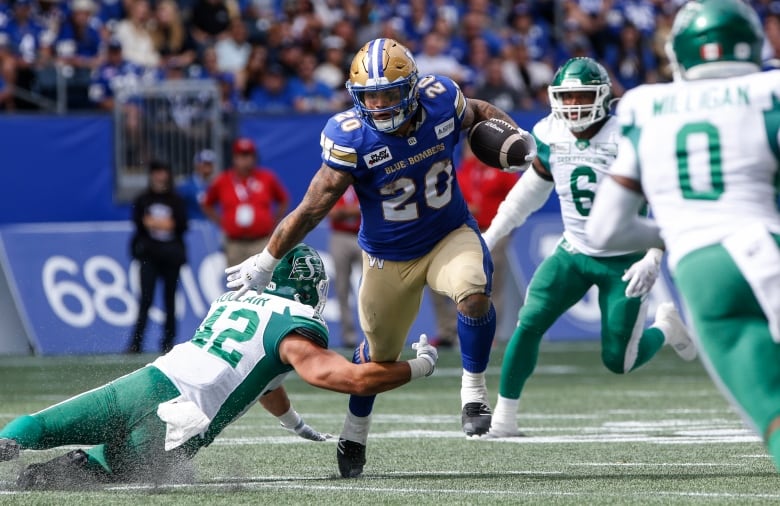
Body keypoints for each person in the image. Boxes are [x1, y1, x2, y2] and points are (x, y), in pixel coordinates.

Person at [223, 37, 536, 479]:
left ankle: (474, 390)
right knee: (376, 357)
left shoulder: (440, 98)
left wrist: (514, 137)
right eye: (371, 96)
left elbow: (480, 112)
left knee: (473, 293)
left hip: (449, 233)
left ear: (411, 87)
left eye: (390, 92)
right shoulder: (351, 136)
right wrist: (268, 259)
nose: (381, 104)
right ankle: (356, 430)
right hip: (388, 256)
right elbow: (314, 206)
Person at [0, 244, 439, 490]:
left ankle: (9, 443)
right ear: (309, 290)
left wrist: (294, 423)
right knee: (93, 471)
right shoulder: (294, 328)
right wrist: (419, 366)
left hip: (144, 383)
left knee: (38, 425)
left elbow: (260, 376)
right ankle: (56, 473)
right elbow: (345, 378)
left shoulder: (233, 299)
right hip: (178, 422)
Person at [586, 0, 780, 470]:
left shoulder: (646, 105)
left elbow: (605, 229)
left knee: (772, 417)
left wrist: (676, 231)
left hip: (700, 270)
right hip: (766, 241)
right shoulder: (770, 90)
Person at [480, 56, 697, 438]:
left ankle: (665, 327)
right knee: (528, 323)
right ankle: (504, 418)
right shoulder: (550, 133)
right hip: (574, 251)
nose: (574, 105)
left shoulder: (628, 134)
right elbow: (525, 197)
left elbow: (665, 197)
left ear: (602, 97)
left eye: (582, 95)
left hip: (625, 260)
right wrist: (489, 238)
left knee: (619, 362)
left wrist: (653, 255)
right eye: (567, 96)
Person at [127, 160, 189, 354]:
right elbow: (139, 223)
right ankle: (137, 342)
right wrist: (163, 224)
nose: (160, 176)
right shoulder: (143, 199)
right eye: (156, 172)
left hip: (171, 256)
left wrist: (155, 223)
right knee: (145, 299)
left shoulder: (176, 200)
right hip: (149, 256)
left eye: (163, 172)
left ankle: (168, 342)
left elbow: (180, 225)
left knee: (170, 300)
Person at [201, 137, 290, 268]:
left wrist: (274, 222)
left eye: (249, 155)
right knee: (237, 284)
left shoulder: (267, 178)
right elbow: (206, 203)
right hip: (234, 243)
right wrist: (221, 222)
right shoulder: (223, 180)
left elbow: (283, 199)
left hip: (261, 240)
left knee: (264, 283)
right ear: (234, 158)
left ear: (254, 158)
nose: (246, 160)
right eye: (242, 156)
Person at [327, 185, 362, 348]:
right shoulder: (334, 181)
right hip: (340, 236)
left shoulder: (364, 179)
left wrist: (344, 211)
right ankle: (348, 336)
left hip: (364, 234)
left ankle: (379, 333)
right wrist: (355, 210)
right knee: (342, 287)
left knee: (375, 284)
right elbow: (332, 212)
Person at [177, 148, 217, 221]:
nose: (207, 166)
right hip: (192, 226)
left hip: (213, 227)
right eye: (205, 163)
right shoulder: (185, 186)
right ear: (197, 164)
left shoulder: (216, 185)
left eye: (210, 163)